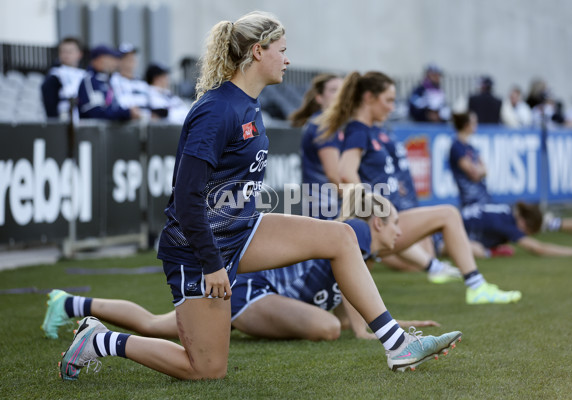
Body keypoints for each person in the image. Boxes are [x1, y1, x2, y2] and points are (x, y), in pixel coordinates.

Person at [58, 12, 462, 381]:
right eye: (282, 51)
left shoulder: (249, 105)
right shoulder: (216, 110)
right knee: (205, 370)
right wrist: (213, 263)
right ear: (257, 51)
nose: (287, 60)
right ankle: (99, 340)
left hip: (241, 231)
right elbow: (186, 198)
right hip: (198, 250)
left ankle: (397, 344)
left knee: (341, 237)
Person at [43, 193, 440, 342]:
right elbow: (347, 322)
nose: (402, 232)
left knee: (152, 324)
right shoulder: (357, 235)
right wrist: (385, 330)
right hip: (253, 294)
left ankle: (69, 304)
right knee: (325, 329)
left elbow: (348, 309)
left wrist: (396, 322)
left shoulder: (357, 241)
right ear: (376, 223)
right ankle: (97, 337)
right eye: (396, 223)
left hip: (253, 294)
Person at [321, 70, 521, 304]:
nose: (392, 107)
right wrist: (371, 206)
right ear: (369, 98)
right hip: (376, 224)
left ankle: (437, 268)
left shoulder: (371, 130)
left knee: (346, 311)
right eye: (388, 100)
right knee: (448, 214)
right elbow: (345, 171)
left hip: (382, 221)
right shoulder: (358, 130)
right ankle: (476, 286)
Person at [290, 73, 344, 219]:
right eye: (333, 90)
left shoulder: (327, 124)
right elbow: (333, 175)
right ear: (319, 98)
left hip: (319, 208)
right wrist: (361, 202)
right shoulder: (323, 125)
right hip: (324, 209)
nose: (340, 94)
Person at [461, 202, 572, 258]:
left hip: (458, 225)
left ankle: (492, 250)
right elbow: (539, 249)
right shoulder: (508, 225)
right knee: (478, 251)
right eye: (528, 233)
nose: (526, 235)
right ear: (524, 223)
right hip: (444, 237)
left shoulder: (506, 212)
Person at [77, 44, 142, 121]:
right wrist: (127, 113)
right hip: (90, 132)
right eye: (111, 59)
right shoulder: (90, 80)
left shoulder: (105, 80)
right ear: (100, 59)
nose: (115, 63)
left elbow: (111, 107)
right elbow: (96, 112)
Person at [449, 112, 493, 208]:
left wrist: (479, 170)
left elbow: (485, 170)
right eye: (474, 123)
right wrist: (479, 170)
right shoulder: (457, 147)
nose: (476, 125)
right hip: (471, 202)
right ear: (466, 125)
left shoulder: (471, 147)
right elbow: (474, 174)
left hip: (484, 198)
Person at [40, 37, 86, 120]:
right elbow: (50, 105)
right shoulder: (54, 76)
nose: (66, 55)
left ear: (79, 54)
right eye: (63, 51)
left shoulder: (85, 75)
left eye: (70, 51)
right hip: (63, 121)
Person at [110, 43, 150, 118]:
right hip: (123, 125)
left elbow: (149, 104)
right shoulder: (112, 81)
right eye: (127, 58)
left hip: (144, 124)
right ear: (119, 61)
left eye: (133, 57)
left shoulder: (142, 83)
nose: (131, 60)